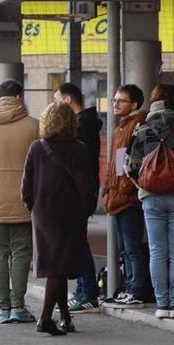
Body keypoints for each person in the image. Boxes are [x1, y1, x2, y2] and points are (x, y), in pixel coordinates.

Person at [126, 83, 174, 320]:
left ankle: (162, 304)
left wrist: (145, 187)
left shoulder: (142, 129)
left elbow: (130, 166)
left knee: (157, 251)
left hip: (151, 198)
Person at [22, 101, 94, 337]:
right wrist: (84, 212)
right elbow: (85, 187)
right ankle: (45, 318)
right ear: (71, 123)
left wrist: (35, 208)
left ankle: (64, 317)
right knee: (59, 267)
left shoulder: (36, 148)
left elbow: (26, 189)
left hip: (43, 214)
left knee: (57, 267)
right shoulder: (80, 149)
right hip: (69, 215)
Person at [0, 81, 40, 325]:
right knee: (22, 253)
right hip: (25, 200)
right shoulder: (34, 126)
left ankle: (1, 306)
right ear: (19, 96)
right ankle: (18, 306)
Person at [103, 84, 154, 305]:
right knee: (125, 248)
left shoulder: (137, 126)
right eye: (114, 100)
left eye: (120, 101)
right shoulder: (119, 129)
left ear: (134, 104)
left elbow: (129, 166)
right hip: (117, 197)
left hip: (129, 199)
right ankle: (129, 285)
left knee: (133, 247)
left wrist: (123, 190)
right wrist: (107, 190)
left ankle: (137, 289)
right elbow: (114, 166)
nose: (115, 104)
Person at [58, 83, 104, 312]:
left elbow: (79, 166)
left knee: (78, 242)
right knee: (77, 241)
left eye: (57, 99)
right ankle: (82, 290)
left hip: (79, 193)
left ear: (67, 100)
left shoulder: (81, 128)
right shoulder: (84, 125)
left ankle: (88, 292)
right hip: (81, 191)